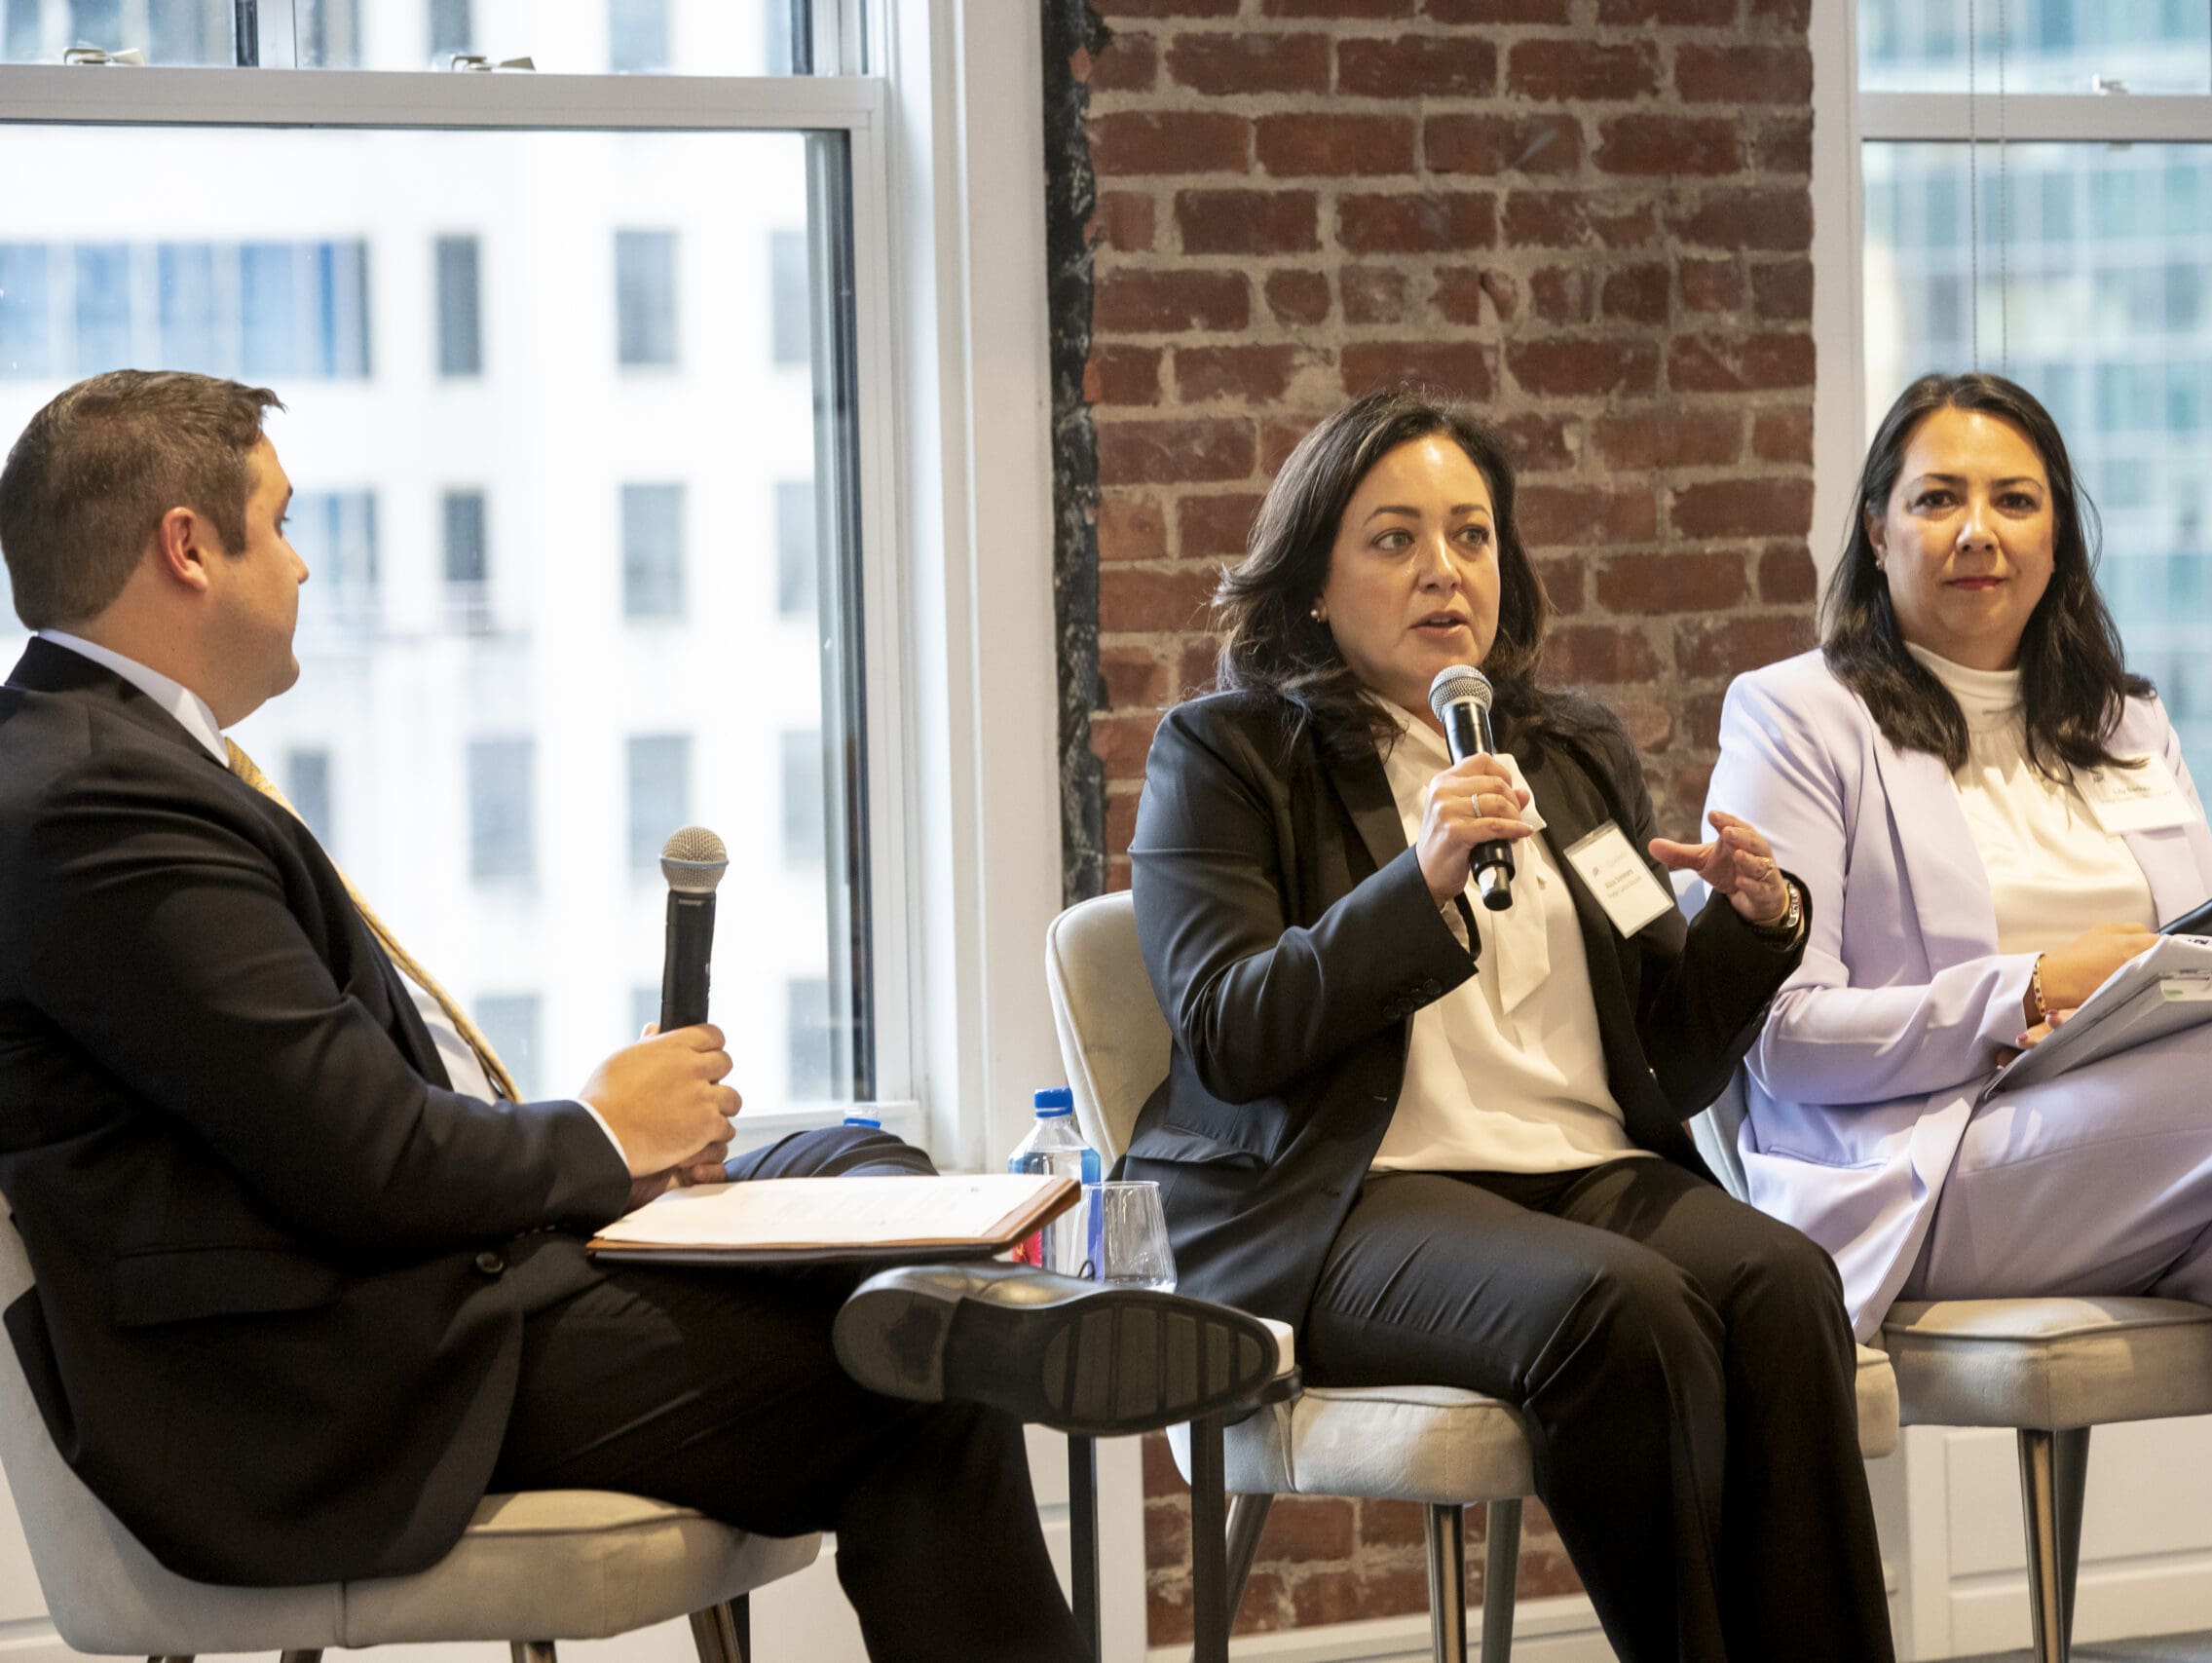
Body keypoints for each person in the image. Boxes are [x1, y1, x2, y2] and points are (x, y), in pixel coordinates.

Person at [0, 370, 1275, 1663]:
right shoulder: (93, 801)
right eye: (280, 524)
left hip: (422, 1294)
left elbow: (329, 1129)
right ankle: (993, 1324)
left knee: (851, 1156)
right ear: (187, 548)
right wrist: (605, 1136)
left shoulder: (113, 763)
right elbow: (367, 1159)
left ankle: (977, 1300)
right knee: (914, 1388)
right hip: (341, 1384)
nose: (304, 564)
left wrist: (615, 1148)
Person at [1703, 369, 2212, 1663]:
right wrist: (2023, 987)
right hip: (1929, 1169)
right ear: (1876, 528)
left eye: (2015, 501)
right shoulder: (1800, 716)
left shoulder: (2124, 721)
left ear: (2058, 532)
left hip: (2130, 1148)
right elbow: (1781, 1039)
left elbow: (2193, 964)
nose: (1979, 531)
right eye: (1939, 499)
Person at [1121, 387, 1894, 1662]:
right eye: (1396, 539)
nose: (1445, 570)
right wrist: (1415, 885)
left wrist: (1753, 929)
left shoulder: (1567, 752)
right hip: (1346, 1199)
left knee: (1788, 1284)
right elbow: (1225, 1031)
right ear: (1312, 583)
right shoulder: (1228, 756)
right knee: (1625, 1311)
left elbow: (1667, 1054)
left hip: (1581, 1168)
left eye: (1471, 536)